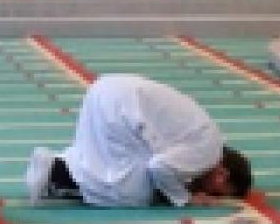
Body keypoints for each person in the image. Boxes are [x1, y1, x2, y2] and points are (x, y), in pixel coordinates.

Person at [25, 73, 251, 208]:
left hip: (106, 90)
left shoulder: (208, 136)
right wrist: (187, 199)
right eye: (217, 192)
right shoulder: (208, 151)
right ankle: (56, 174)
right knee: (135, 193)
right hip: (123, 107)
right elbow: (160, 167)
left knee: (99, 160)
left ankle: (57, 169)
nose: (209, 193)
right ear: (222, 176)